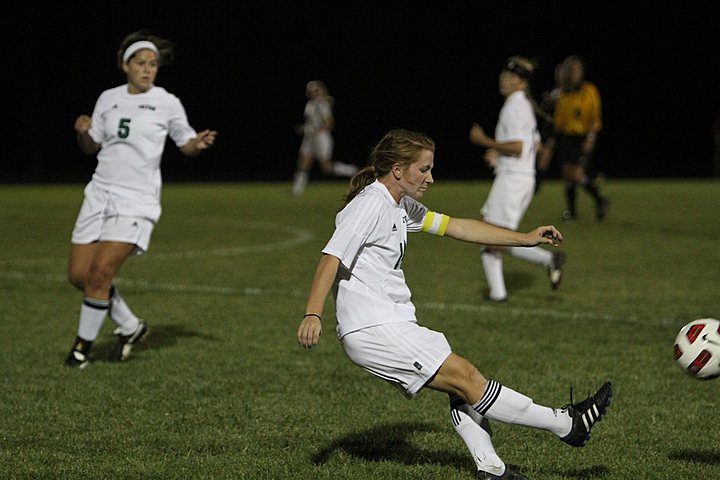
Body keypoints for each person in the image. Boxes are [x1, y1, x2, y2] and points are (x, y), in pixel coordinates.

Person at [296, 129, 613, 479]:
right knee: (467, 378)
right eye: (424, 169)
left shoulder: (400, 204)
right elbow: (330, 257)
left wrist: (523, 239)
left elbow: (458, 227)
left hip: (394, 323)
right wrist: (313, 313)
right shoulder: (371, 203)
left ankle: (490, 467)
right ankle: (566, 423)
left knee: (461, 386)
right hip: (374, 328)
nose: (431, 178)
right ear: (398, 169)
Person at [64, 30, 218, 369]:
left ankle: (81, 349)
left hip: (137, 200)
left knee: (101, 273)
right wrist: (83, 133)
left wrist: (198, 143)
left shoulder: (166, 101)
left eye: (153, 64)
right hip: (99, 193)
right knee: (79, 275)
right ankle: (132, 326)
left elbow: (185, 142)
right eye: (141, 63)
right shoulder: (108, 98)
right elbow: (92, 146)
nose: (148, 69)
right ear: (125, 65)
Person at [469, 56, 565, 302]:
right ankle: (498, 292)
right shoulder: (523, 105)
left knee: (491, 235)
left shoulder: (515, 105)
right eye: (504, 76)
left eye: (512, 78)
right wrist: (499, 157)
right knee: (488, 233)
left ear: (522, 82)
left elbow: (518, 147)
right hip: (517, 177)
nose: (505, 81)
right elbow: (535, 147)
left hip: (514, 180)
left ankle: (546, 260)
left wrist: (484, 141)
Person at [539, 55, 609, 221]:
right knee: (567, 175)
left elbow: (595, 116)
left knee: (576, 174)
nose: (572, 73)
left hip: (581, 137)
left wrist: (590, 138)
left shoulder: (589, 90)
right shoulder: (562, 92)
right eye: (569, 70)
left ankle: (600, 200)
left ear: (581, 72)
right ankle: (572, 212)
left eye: (575, 70)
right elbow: (557, 118)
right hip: (565, 137)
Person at [292, 80, 358, 196]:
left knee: (326, 167)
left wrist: (315, 130)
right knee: (304, 161)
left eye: (314, 90)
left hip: (321, 138)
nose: (312, 93)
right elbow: (311, 122)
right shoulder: (310, 104)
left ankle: (350, 170)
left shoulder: (323, 104)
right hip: (310, 138)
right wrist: (305, 128)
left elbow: (329, 123)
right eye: (310, 91)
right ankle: (297, 189)